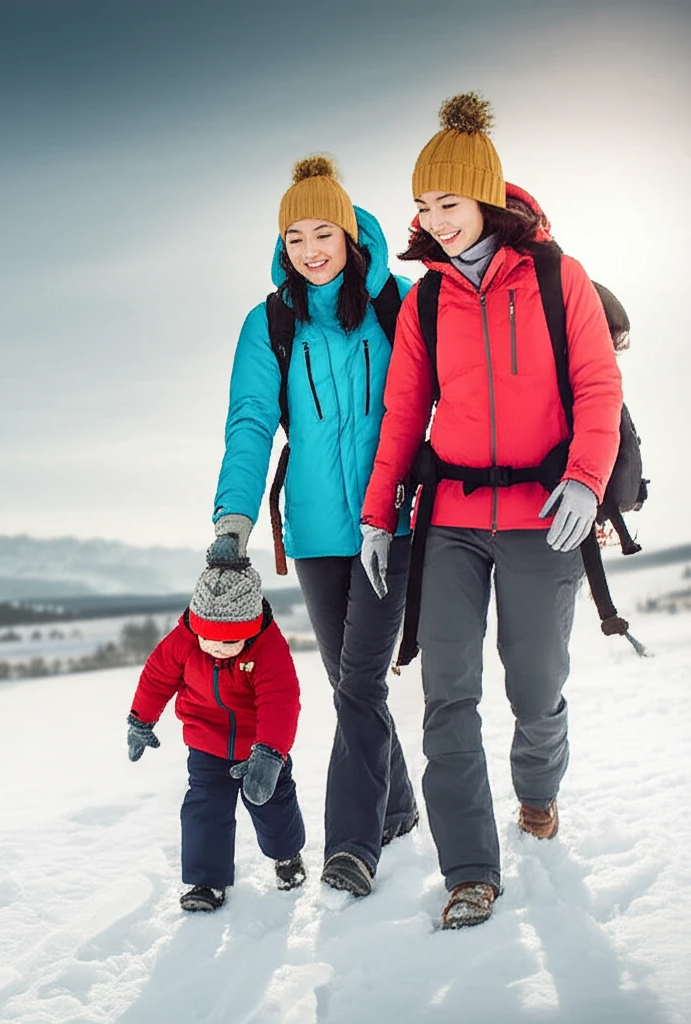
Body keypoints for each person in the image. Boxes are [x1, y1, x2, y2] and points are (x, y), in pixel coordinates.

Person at [359, 93, 623, 929]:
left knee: (536, 685)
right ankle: (470, 870)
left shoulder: (556, 277)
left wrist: (585, 480)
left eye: (449, 204)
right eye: (423, 208)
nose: (435, 222)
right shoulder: (428, 301)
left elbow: (596, 384)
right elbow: (405, 413)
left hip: (545, 516)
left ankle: (539, 793)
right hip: (454, 522)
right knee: (447, 694)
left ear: (486, 198)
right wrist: (377, 516)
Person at [209, 156, 418, 898]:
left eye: (322, 231)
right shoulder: (270, 322)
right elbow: (251, 421)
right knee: (346, 681)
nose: (310, 249)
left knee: (359, 682)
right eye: (294, 237)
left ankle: (352, 847)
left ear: (350, 232)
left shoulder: (402, 303)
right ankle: (397, 803)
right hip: (314, 530)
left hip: (393, 522)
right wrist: (231, 519)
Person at [126, 547, 306, 912]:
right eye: (208, 639)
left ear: (250, 629)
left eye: (229, 642)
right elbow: (157, 677)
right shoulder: (183, 641)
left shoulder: (269, 649)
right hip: (206, 743)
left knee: (272, 804)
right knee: (204, 809)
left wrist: (270, 753)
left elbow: (280, 701)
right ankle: (206, 882)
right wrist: (140, 719)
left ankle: (287, 857)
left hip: (260, 749)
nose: (217, 650)